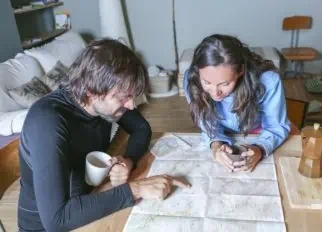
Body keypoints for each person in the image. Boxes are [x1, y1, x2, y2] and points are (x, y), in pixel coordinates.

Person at [18, 39, 190, 232]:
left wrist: (129, 161)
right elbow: (57, 220)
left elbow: (141, 128)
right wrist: (137, 188)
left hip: (90, 201)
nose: (132, 105)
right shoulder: (47, 122)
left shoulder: (99, 103)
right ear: (92, 91)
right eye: (123, 97)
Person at [184, 34, 290, 172]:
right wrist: (216, 145)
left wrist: (260, 149)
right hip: (220, 131)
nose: (215, 93)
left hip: (257, 132)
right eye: (207, 82)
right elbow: (206, 121)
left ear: (240, 70)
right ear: (197, 71)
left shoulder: (268, 80)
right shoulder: (192, 79)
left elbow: (276, 126)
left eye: (225, 83)